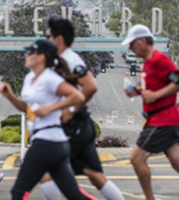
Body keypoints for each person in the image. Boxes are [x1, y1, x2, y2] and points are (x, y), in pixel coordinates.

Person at [38, 18, 125, 200]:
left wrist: (71, 110)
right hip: (80, 126)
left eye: (47, 36)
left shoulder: (69, 59)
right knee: (95, 176)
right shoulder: (60, 59)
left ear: (59, 39)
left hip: (73, 126)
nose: (45, 39)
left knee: (46, 174)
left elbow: (90, 86)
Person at [0, 39, 91, 200]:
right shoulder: (29, 78)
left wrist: (51, 108)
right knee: (74, 195)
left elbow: (77, 96)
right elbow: (27, 109)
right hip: (55, 144)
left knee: (18, 192)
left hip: (47, 141)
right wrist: (10, 96)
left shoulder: (50, 78)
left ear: (41, 57)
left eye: (30, 52)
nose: (25, 55)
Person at [122, 24, 179, 200]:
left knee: (136, 159)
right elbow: (152, 90)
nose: (130, 48)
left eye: (132, 44)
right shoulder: (146, 64)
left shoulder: (159, 60)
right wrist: (136, 92)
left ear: (143, 41)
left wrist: (156, 95)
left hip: (163, 120)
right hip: (164, 119)